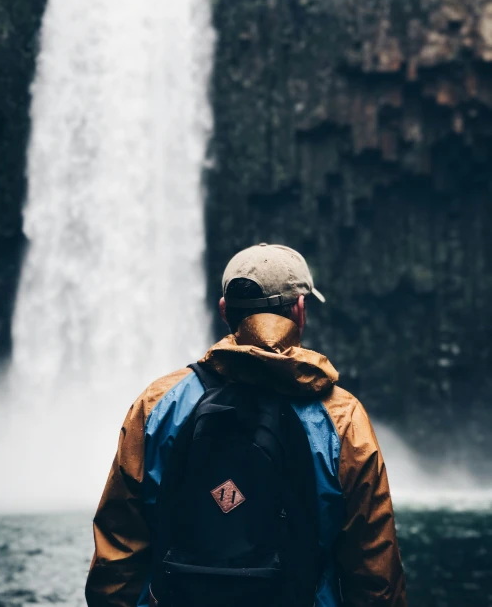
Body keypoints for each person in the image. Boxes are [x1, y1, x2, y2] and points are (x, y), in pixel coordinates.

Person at [85, 243, 408, 607]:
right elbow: (373, 567)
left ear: (225, 311)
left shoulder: (158, 404)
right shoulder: (342, 417)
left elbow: (118, 547)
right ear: (300, 310)